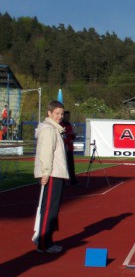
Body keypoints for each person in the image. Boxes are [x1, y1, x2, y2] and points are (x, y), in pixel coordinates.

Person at [33, 100, 69, 253]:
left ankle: (47, 240)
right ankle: (43, 243)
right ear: (49, 113)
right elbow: (46, 153)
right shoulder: (49, 130)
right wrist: (46, 172)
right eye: (57, 113)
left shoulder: (56, 129)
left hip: (56, 173)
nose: (60, 116)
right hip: (52, 173)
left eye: (61, 114)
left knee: (52, 210)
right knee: (48, 210)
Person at [61, 111, 79, 186]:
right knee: (64, 165)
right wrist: (69, 140)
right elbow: (62, 137)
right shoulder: (61, 125)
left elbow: (70, 135)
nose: (68, 118)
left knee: (71, 166)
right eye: (67, 116)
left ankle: (73, 181)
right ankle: (63, 181)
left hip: (70, 148)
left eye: (69, 116)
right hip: (64, 148)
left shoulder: (69, 124)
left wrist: (73, 136)